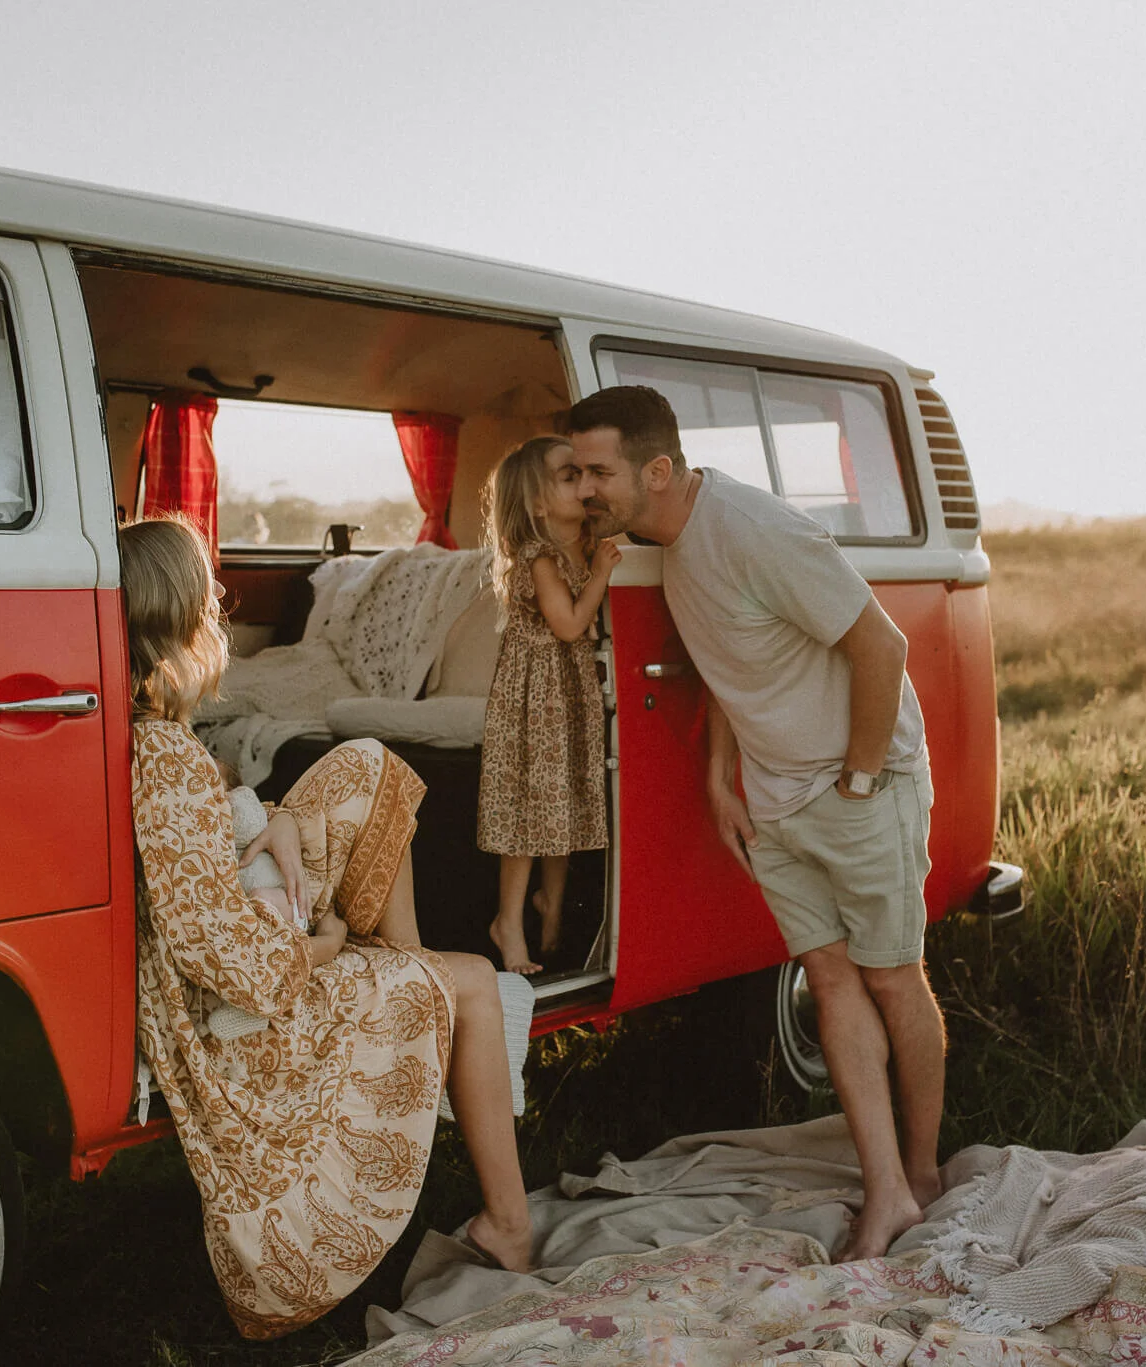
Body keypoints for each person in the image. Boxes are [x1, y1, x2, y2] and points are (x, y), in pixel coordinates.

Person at [118, 517, 533, 1340]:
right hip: (241, 1014)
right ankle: (506, 1223)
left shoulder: (159, 740)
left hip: (254, 933)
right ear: (183, 621)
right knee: (479, 982)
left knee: (370, 761)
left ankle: (406, 975)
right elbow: (214, 949)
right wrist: (328, 948)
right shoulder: (162, 759)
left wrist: (270, 818)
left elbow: (199, 867)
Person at [566, 387, 944, 1263]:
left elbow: (881, 646)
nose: (585, 487)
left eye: (599, 471)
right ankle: (884, 1189)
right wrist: (715, 771)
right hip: (773, 796)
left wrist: (856, 775)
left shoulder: (753, 529)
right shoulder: (667, 540)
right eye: (577, 471)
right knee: (832, 977)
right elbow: (734, 660)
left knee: (891, 977)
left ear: (657, 471)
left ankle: (922, 1173)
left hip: (861, 787)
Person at [475, 436, 618, 975]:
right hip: (535, 699)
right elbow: (568, 624)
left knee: (560, 806)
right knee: (532, 813)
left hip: (567, 693)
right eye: (567, 476)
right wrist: (601, 574)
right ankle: (508, 922)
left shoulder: (578, 544)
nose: (583, 484)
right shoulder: (538, 558)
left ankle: (552, 907)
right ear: (537, 505)